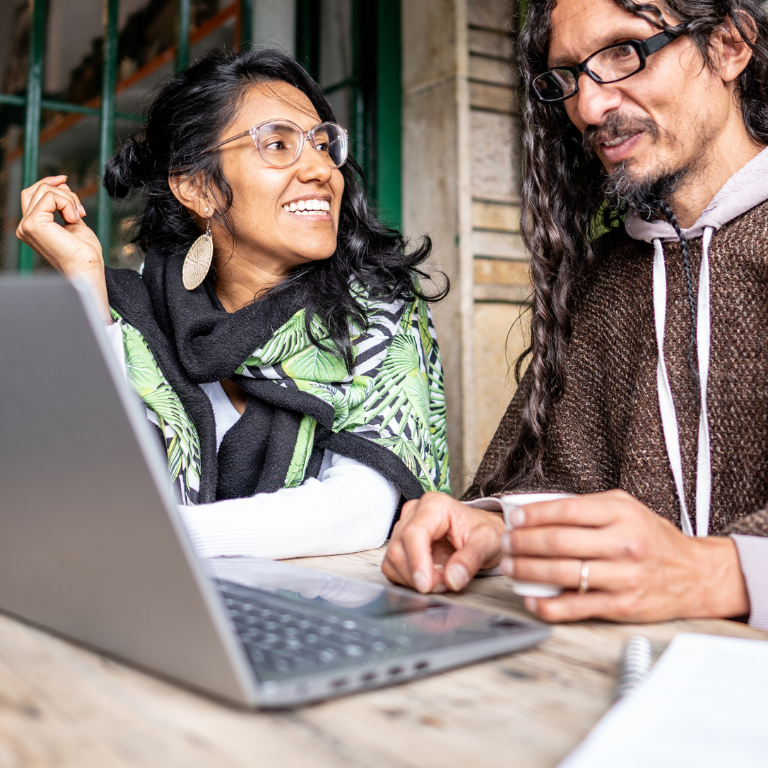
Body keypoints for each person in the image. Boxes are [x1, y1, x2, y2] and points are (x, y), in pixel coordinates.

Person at [382, 0, 768, 630]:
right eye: (568, 76)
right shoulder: (602, 281)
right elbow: (563, 477)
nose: (588, 107)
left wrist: (721, 572)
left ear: (728, 45)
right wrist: (495, 529)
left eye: (622, 52)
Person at [16, 49, 450, 560]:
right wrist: (86, 287)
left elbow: (360, 508)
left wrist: (148, 537)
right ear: (198, 188)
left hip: (325, 615)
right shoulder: (138, 307)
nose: (320, 170)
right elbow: (85, 478)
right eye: (279, 144)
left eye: (322, 144)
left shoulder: (378, 313)